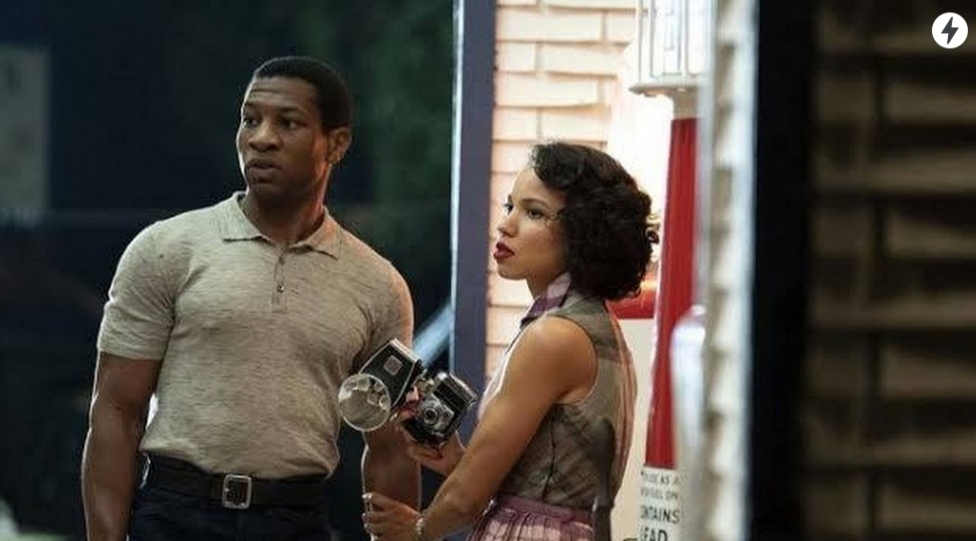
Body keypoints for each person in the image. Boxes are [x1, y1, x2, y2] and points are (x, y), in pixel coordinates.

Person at [81, 56, 419, 541]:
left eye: (288, 123)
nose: (261, 138)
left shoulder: (378, 285)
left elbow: (390, 447)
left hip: (294, 518)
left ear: (337, 143)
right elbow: (116, 411)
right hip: (174, 514)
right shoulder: (165, 249)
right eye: (250, 119)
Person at [363, 142, 655, 541]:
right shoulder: (592, 327)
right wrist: (459, 461)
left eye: (534, 212)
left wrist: (417, 529)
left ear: (583, 231)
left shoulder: (554, 337)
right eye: (510, 206)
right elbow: (537, 488)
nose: (506, 225)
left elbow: (466, 501)